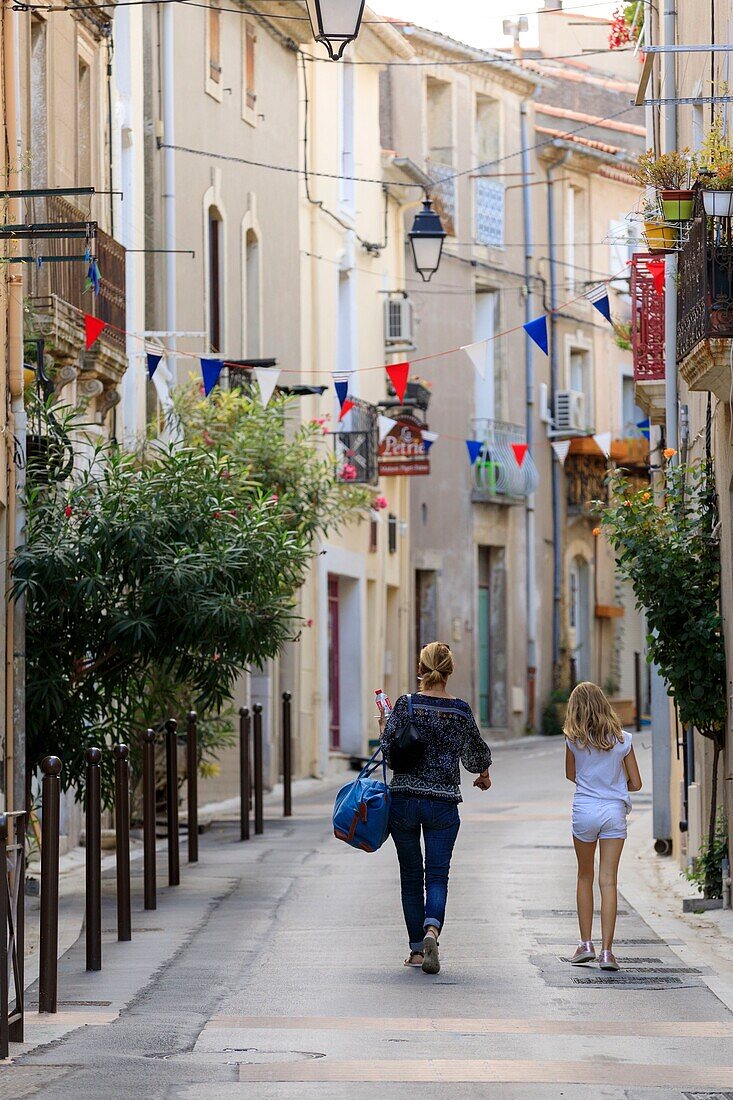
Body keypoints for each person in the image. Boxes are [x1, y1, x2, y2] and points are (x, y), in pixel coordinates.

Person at [379, 641, 492, 975]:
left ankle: (416, 950)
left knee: (411, 875)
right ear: (450, 670)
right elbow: (477, 755)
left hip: (404, 801)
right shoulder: (459, 711)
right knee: (438, 874)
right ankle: (432, 929)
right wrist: (483, 775)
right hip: (443, 804)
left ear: (420, 669)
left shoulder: (406, 704)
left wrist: (383, 726)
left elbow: (387, 749)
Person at [564, 681, 643, 971]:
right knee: (608, 880)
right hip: (613, 812)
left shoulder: (572, 739)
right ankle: (607, 953)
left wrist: (592, 781)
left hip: (584, 810)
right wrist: (614, 781)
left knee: (585, 876)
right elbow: (636, 783)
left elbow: (571, 774)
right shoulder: (623, 740)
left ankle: (585, 944)